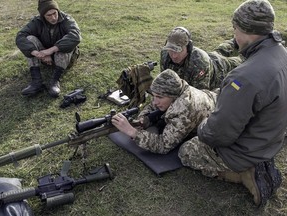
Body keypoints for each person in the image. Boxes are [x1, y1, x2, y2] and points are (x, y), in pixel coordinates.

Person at [178, 0, 287, 207]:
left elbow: (219, 134)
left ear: (247, 30)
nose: (234, 35)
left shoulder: (244, 77)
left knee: (187, 151)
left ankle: (244, 173)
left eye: (235, 28)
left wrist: (201, 127)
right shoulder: (282, 54)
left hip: (247, 151)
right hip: (272, 139)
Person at [111, 69, 217, 154]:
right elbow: (153, 105)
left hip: (217, 114)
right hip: (210, 97)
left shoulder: (184, 110)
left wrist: (132, 132)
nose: (155, 102)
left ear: (173, 96)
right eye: (154, 96)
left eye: (160, 97)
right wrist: (143, 118)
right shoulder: (176, 87)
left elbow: (164, 145)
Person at [16, 0, 81, 97]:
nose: (53, 18)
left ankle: (55, 81)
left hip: (66, 59)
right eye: (48, 15)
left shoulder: (67, 19)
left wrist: (50, 51)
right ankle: (36, 81)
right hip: (45, 58)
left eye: (54, 13)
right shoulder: (37, 22)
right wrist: (37, 53)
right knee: (29, 39)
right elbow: (20, 36)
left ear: (57, 10)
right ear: (43, 16)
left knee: (67, 41)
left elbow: (75, 36)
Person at [160, 26, 243, 90]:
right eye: (171, 51)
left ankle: (241, 41)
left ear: (188, 48)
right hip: (210, 57)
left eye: (178, 51)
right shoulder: (165, 54)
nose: (174, 56)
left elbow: (200, 96)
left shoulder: (200, 63)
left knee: (243, 61)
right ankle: (235, 41)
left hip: (219, 68)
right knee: (221, 50)